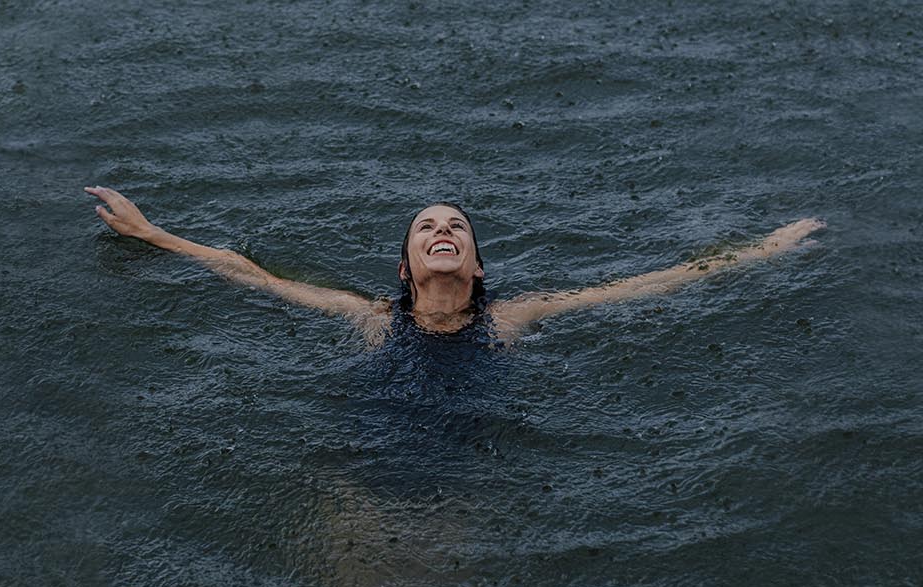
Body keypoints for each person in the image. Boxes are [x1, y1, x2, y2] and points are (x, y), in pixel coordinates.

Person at [84, 186, 824, 345]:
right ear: (406, 267)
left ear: (473, 266)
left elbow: (640, 286)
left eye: (457, 227)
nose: (443, 231)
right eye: (427, 227)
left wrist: (762, 250)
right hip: (375, 451)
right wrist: (153, 235)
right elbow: (252, 274)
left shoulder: (511, 315)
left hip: (468, 467)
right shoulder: (368, 314)